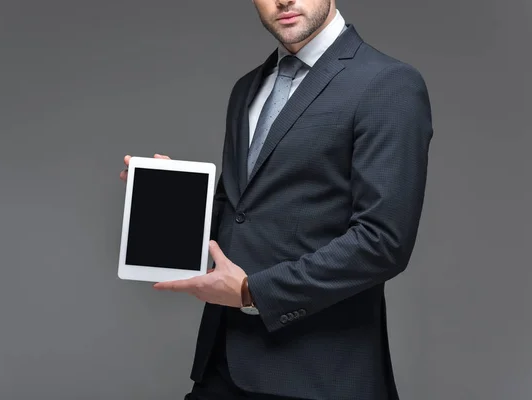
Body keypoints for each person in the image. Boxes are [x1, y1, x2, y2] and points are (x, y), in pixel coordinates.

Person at [120, 0, 432, 398]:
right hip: (223, 367)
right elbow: (245, 213)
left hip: (319, 376)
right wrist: (176, 193)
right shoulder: (248, 88)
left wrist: (253, 292)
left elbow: (383, 242)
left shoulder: (388, 84)